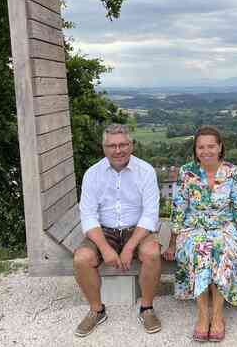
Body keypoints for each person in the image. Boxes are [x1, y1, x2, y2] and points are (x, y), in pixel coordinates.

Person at [163, 126, 237, 342]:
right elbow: (178, 209)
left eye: (211, 146)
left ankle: (217, 316)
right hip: (193, 228)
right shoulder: (187, 172)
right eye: (201, 147)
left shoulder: (232, 171)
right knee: (200, 250)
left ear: (220, 147)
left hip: (224, 227)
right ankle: (202, 315)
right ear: (195, 150)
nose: (206, 151)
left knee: (222, 249)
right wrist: (172, 243)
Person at [72, 124, 162, 337]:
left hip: (137, 229)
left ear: (131, 145)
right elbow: (88, 216)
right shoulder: (92, 174)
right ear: (104, 148)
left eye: (123, 144)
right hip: (104, 231)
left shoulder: (146, 171)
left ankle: (147, 308)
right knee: (82, 258)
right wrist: (104, 248)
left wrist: (130, 246)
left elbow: (150, 215)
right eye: (111, 145)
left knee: (152, 253)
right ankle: (97, 310)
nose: (118, 150)